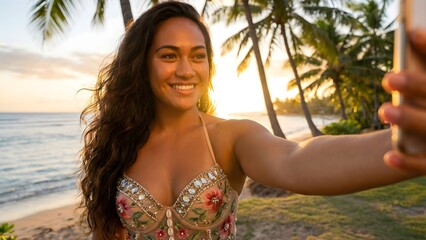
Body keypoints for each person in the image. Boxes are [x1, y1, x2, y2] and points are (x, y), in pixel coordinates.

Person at [78, 2, 426, 240]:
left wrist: (404, 143)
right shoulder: (119, 143)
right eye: (169, 55)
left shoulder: (228, 138)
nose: (186, 70)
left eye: (197, 56)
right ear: (142, 64)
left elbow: (297, 160)